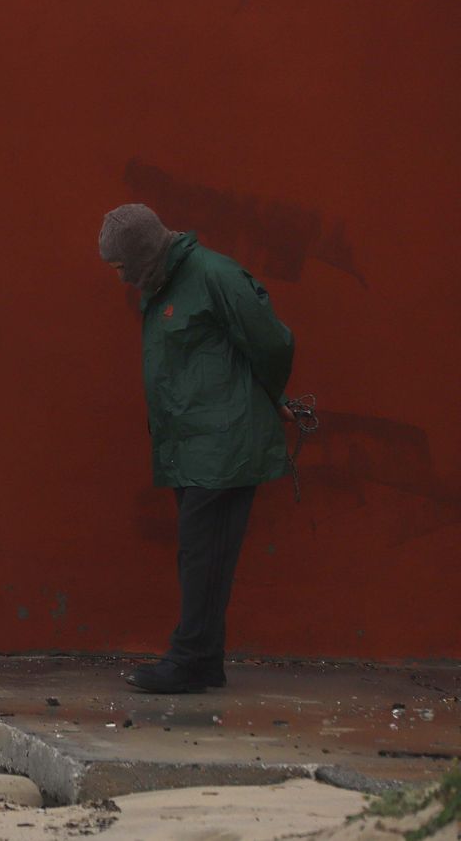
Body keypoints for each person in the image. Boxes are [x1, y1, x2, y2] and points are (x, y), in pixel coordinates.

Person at [99, 204, 296, 694]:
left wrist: (271, 397)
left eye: (121, 266)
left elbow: (272, 343)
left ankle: (188, 661)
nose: (120, 277)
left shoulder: (214, 275)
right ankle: (205, 661)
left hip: (224, 443)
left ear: (143, 254)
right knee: (203, 554)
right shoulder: (168, 283)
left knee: (203, 554)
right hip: (192, 445)